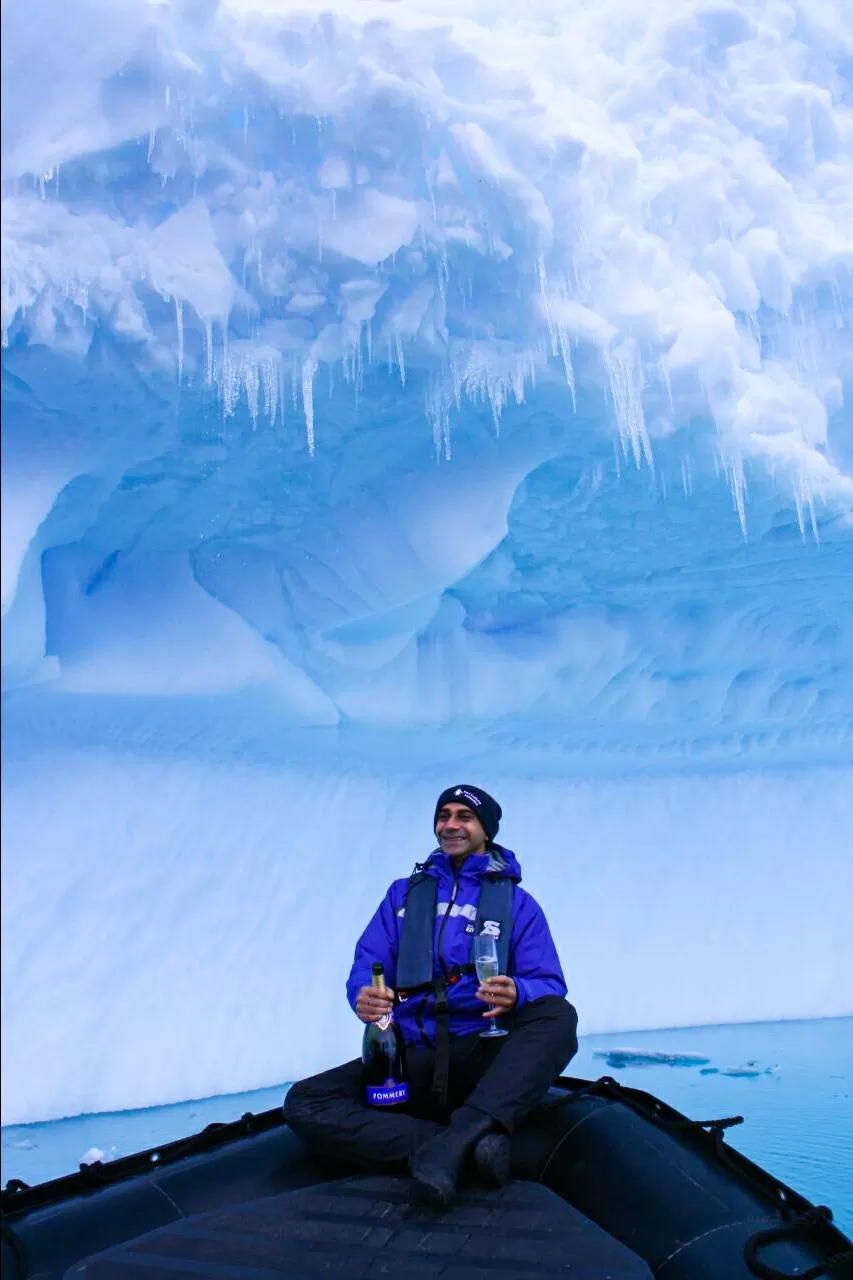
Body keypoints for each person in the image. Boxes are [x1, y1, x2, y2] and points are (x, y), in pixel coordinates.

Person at [283, 784, 578, 1208]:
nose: (451, 825)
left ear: (486, 830)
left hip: (480, 1052)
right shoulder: (403, 895)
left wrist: (520, 990)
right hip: (412, 1056)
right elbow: (369, 961)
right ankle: (461, 1147)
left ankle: (453, 1141)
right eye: (444, 815)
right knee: (306, 1102)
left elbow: (548, 983)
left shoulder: (518, 904)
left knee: (558, 1016)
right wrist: (363, 995)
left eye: (465, 817)